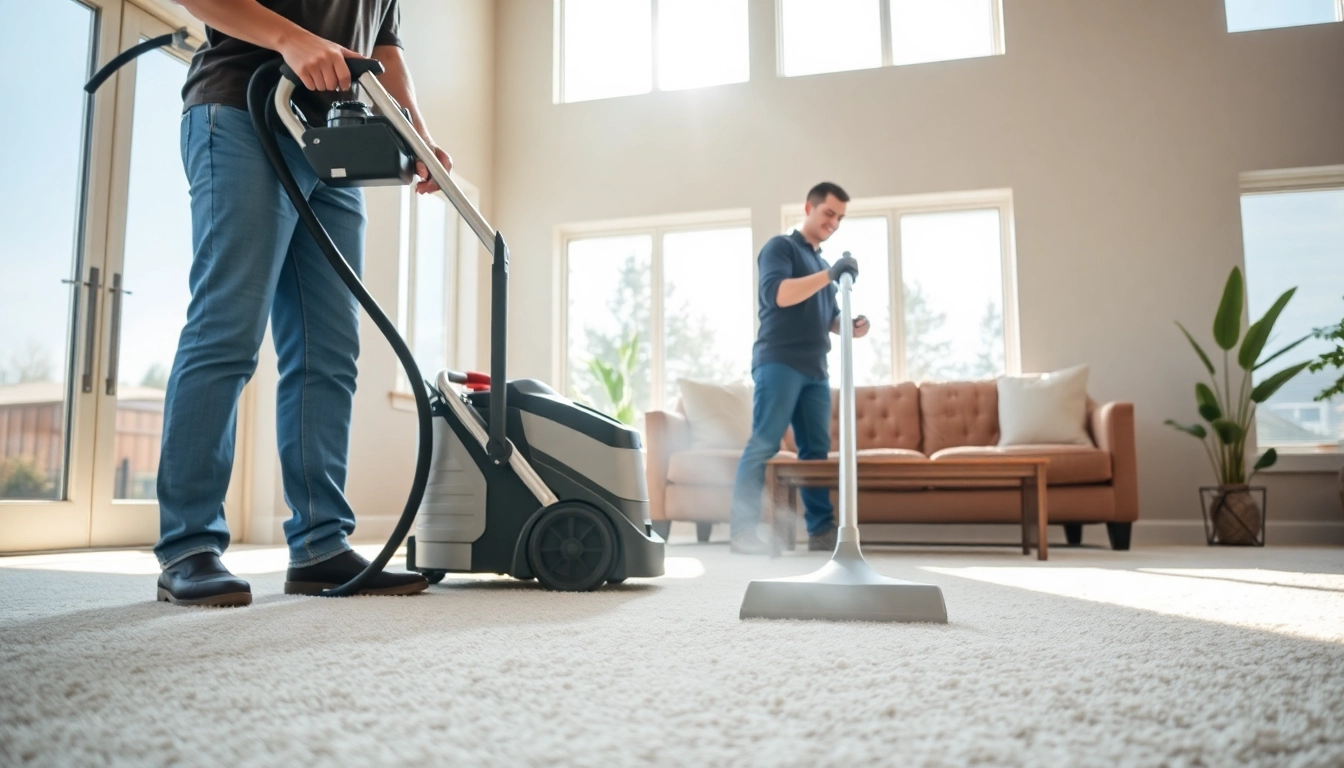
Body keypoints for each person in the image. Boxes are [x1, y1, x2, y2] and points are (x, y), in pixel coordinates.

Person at [154, 0, 451, 606]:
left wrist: (412, 126)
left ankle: (320, 545)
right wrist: (289, 39)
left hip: (330, 141)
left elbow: (384, 46)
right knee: (228, 330)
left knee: (331, 350)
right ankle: (187, 545)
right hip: (242, 108)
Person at [729, 182, 869, 555]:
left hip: (815, 370)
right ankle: (743, 532)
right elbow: (779, 294)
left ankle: (822, 531)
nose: (834, 223)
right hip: (778, 361)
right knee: (764, 442)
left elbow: (830, 318)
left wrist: (851, 325)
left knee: (815, 451)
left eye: (840, 218)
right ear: (809, 207)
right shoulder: (781, 248)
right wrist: (830, 275)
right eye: (828, 214)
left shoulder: (823, 265)